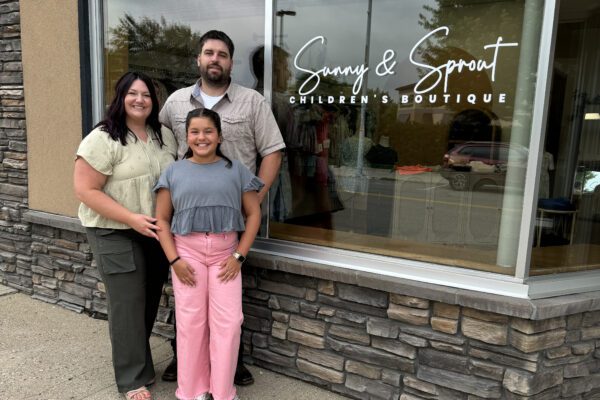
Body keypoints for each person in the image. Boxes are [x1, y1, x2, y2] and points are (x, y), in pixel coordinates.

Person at [159, 30, 285, 385]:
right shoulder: (175, 103)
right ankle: (185, 364)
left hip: (232, 222)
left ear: (231, 62)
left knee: (229, 306)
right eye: (208, 53)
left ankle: (230, 367)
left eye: (223, 54)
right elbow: (164, 148)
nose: (215, 59)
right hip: (187, 225)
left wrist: (254, 200)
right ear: (198, 59)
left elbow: (272, 150)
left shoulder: (252, 102)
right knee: (188, 303)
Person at [73, 71, 177, 400]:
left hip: (154, 230)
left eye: (146, 95)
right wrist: (131, 218)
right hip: (113, 230)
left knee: (146, 302)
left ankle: (139, 363)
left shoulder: (165, 136)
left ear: (153, 101)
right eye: (132, 93)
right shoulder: (102, 138)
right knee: (128, 303)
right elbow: (85, 190)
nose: (139, 100)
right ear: (120, 97)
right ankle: (132, 380)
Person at [154, 108, 263, 400]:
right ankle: (191, 391)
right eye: (195, 132)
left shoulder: (236, 170)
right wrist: (174, 260)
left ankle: (223, 391)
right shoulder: (174, 172)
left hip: (225, 254)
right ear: (186, 136)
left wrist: (239, 256)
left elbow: (253, 214)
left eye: (208, 131)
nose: (201, 137)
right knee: (190, 324)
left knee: (228, 323)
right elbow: (162, 219)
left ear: (219, 136)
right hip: (186, 254)